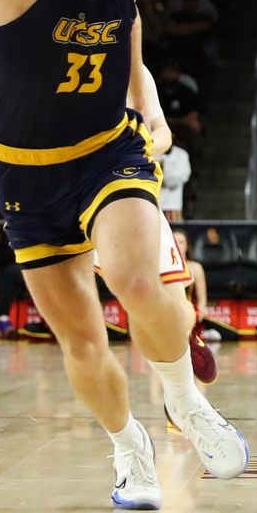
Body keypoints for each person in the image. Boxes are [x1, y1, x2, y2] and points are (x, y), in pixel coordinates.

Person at [0, 0, 247, 510]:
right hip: (25, 173)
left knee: (136, 276)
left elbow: (125, 39)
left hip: (108, 151)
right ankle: (129, 449)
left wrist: (150, 105)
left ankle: (186, 402)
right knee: (81, 338)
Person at [92, 66, 216, 384]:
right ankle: (175, 390)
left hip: (140, 194)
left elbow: (163, 133)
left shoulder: (138, 72)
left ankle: (182, 368)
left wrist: (136, 148)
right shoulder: (54, 56)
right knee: (136, 300)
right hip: (84, 197)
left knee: (174, 300)